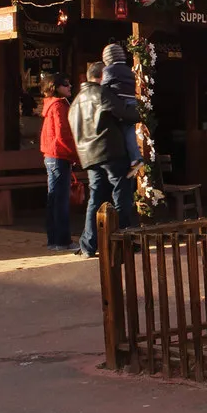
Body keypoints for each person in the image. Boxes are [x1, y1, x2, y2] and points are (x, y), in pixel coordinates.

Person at [69, 61, 140, 258]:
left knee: (96, 199)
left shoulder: (76, 101)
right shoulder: (101, 93)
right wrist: (140, 112)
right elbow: (125, 114)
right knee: (121, 196)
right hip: (111, 151)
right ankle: (123, 241)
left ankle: (88, 245)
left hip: (89, 156)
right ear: (102, 76)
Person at [40, 73, 79, 250]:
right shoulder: (59, 106)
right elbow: (63, 134)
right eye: (66, 84)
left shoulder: (51, 105)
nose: (70, 86)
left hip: (52, 156)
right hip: (59, 156)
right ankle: (62, 241)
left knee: (54, 199)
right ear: (55, 87)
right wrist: (75, 155)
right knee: (60, 201)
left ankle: (54, 240)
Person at [101, 43, 143, 178]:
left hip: (122, 101)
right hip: (132, 102)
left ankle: (135, 159)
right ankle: (135, 157)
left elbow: (104, 87)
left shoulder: (109, 70)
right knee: (130, 130)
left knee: (124, 129)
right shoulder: (128, 69)